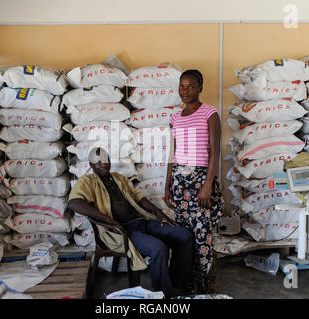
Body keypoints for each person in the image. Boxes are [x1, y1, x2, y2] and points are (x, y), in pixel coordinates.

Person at [68, 147, 193, 298]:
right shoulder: (87, 181)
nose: (103, 164)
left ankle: (178, 283)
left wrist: (158, 212)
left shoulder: (119, 178)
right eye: (98, 162)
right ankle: (165, 294)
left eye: (106, 161)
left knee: (184, 235)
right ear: (91, 165)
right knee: (158, 248)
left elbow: (138, 197)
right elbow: (74, 203)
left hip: (142, 221)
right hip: (122, 231)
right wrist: (108, 220)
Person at [165, 69, 224, 293]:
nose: (185, 91)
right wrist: (167, 186)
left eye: (191, 86)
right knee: (184, 234)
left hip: (201, 183)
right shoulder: (174, 118)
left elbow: (214, 152)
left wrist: (208, 185)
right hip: (179, 184)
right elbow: (172, 155)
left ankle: (204, 282)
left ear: (201, 87)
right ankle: (185, 282)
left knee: (203, 234)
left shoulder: (210, 114)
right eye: (182, 86)